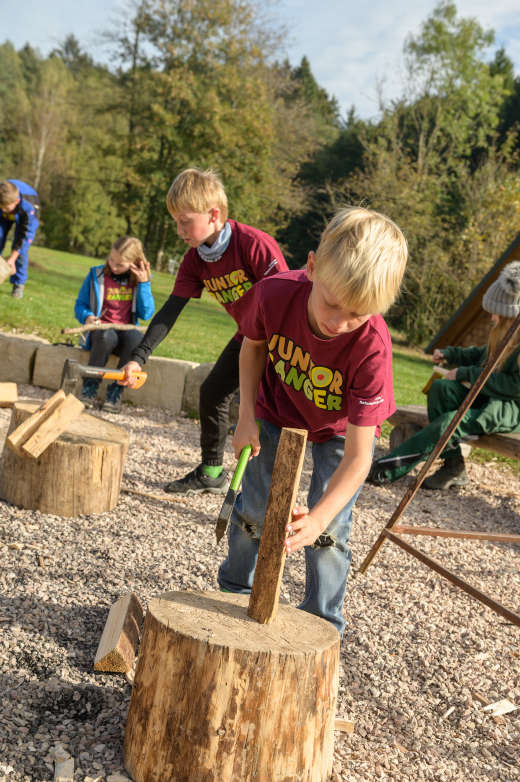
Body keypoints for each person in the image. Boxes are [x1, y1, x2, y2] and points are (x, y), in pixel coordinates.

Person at [217, 206, 408, 635]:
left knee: (329, 533)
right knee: (253, 511)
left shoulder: (373, 349)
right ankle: (232, 593)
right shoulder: (273, 293)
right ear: (312, 267)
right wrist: (246, 416)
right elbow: (252, 348)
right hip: (274, 410)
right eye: (332, 303)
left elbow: (359, 459)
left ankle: (322, 624)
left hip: (337, 432)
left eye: (357, 314)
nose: (338, 323)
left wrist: (319, 518)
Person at [122, 167, 288, 494]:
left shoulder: (254, 245)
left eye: (185, 220)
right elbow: (170, 311)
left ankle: (270, 493)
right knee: (212, 392)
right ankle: (212, 471)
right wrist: (139, 358)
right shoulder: (195, 260)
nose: (179, 229)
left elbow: (287, 300)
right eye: (175, 221)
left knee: (270, 411)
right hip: (249, 335)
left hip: (284, 338)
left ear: (214, 215)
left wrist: (270, 359)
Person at [367, 261, 520, 490]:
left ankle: (384, 470)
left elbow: (515, 386)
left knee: (450, 423)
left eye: (497, 314)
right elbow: (481, 355)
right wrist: (451, 354)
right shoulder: (503, 334)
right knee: (441, 389)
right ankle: (454, 466)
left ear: (511, 316)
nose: (492, 318)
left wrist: (465, 373)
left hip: (509, 409)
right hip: (488, 397)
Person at [74, 236, 155, 413]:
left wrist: (143, 284)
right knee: (105, 336)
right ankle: (89, 388)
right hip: (102, 332)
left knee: (136, 339)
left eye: (120, 264)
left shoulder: (140, 280)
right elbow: (80, 305)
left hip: (126, 333)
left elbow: (147, 313)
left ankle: (116, 391)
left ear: (134, 263)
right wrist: (87, 317)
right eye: (111, 260)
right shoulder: (96, 275)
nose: (113, 266)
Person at [0, 179, 40, 298]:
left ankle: (18, 285)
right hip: (2, 218)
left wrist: (12, 258)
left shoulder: (30, 206)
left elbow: (25, 236)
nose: (3, 210)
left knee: (20, 252)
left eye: (6, 208)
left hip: (24, 217)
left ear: (16, 201)